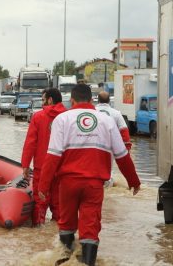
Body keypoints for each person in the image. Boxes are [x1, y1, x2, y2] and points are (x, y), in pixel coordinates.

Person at [38, 85, 141, 266]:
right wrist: (133, 181)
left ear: (72, 101)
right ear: (91, 100)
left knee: (66, 222)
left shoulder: (62, 119)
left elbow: (53, 156)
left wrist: (43, 186)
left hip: (67, 184)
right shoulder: (107, 121)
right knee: (90, 226)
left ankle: (65, 259)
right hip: (94, 184)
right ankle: (87, 262)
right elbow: (122, 155)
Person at [21, 88, 66, 226]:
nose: (42, 103)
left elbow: (30, 143)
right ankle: (57, 238)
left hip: (42, 168)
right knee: (60, 207)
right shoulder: (68, 117)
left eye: (43, 99)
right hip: (63, 169)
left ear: (50, 100)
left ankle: (38, 236)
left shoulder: (38, 117)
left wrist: (25, 165)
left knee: (40, 205)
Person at [96, 91, 132, 187]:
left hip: (92, 145)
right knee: (108, 169)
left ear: (97, 100)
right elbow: (124, 131)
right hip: (109, 146)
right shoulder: (116, 113)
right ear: (109, 101)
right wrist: (126, 149)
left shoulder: (92, 111)